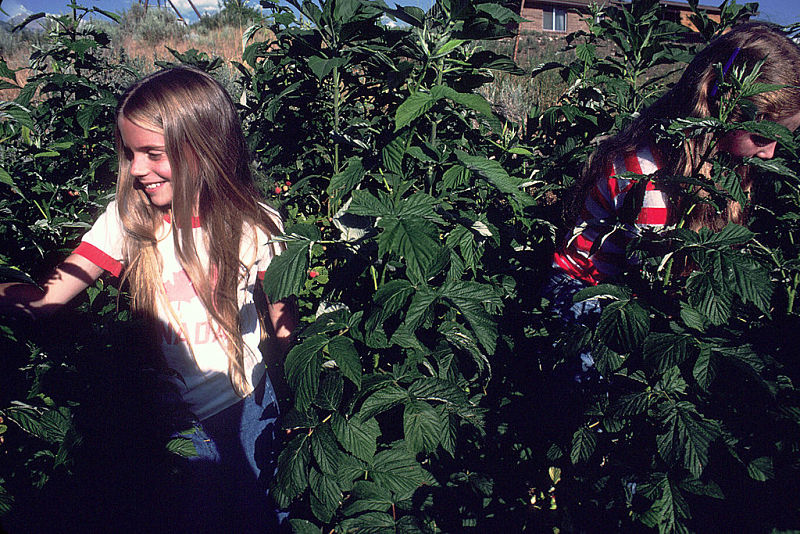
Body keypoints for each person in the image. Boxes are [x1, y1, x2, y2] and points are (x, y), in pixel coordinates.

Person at [0, 66, 296, 531]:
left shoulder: (257, 223)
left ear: (206, 149)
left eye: (153, 153)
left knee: (260, 512)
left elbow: (281, 319)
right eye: (130, 153)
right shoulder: (126, 222)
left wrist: (303, 395)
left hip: (254, 405)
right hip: (173, 420)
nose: (136, 169)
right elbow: (47, 301)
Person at [544, 23, 800, 381]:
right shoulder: (647, 177)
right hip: (587, 291)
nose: (771, 152)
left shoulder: (722, 164)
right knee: (598, 379)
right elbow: (650, 274)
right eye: (761, 136)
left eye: (782, 137)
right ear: (721, 106)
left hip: (636, 286)